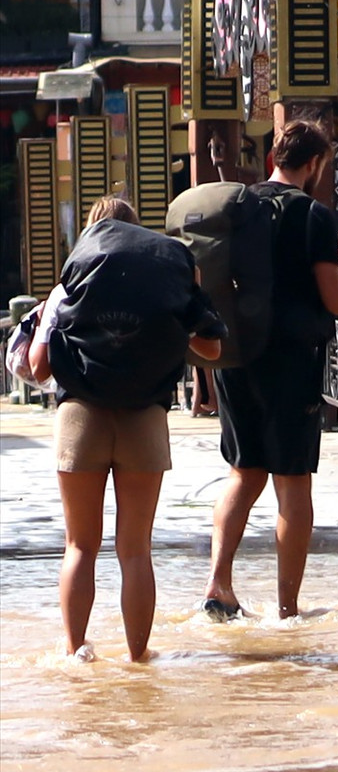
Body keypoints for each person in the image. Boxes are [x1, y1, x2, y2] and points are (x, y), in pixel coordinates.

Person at [26, 195, 227, 661]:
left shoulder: (67, 287)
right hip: (144, 417)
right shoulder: (165, 281)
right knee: (135, 549)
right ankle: (139, 658)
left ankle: (77, 651)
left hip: (81, 416)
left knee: (80, 545)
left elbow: (37, 369)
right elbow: (212, 351)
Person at [203, 120, 338, 621]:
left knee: (243, 474)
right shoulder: (312, 215)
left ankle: (218, 584)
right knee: (292, 483)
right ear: (314, 164)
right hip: (291, 362)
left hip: (236, 358)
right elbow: (335, 302)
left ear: (274, 156)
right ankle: (288, 609)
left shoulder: (240, 206)